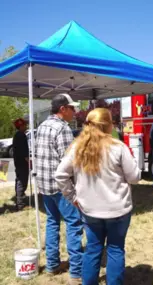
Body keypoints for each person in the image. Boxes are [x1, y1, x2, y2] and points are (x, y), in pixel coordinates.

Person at [55, 108, 141, 285]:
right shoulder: (119, 147)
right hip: (118, 210)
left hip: (90, 210)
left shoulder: (77, 148)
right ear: (108, 125)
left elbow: (60, 175)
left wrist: (73, 198)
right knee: (116, 250)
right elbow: (134, 177)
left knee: (93, 250)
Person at [35, 93, 83, 285]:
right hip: (60, 186)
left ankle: (52, 265)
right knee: (74, 223)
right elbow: (68, 163)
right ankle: (76, 273)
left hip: (45, 185)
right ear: (63, 109)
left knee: (52, 222)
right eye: (72, 108)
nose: (75, 111)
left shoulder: (42, 126)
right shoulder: (62, 129)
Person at [12, 118, 29, 211]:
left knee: (19, 180)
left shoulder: (17, 135)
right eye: (25, 125)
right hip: (22, 163)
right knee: (22, 182)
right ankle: (20, 204)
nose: (26, 126)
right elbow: (23, 151)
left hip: (18, 162)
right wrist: (28, 161)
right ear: (21, 126)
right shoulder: (21, 135)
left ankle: (19, 200)